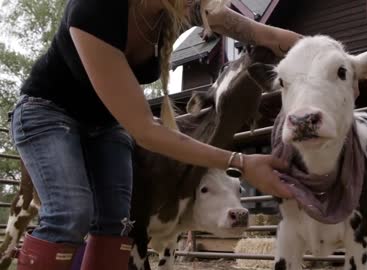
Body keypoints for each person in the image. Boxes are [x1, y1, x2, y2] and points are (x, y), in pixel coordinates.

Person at [9, 0, 301, 269]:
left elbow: (259, 33)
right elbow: (146, 131)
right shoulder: (94, 9)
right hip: (48, 111)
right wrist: (242, 162)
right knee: (71, 213)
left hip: (106, 123)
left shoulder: (179, 7)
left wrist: (312, 48)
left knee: (119, 221)